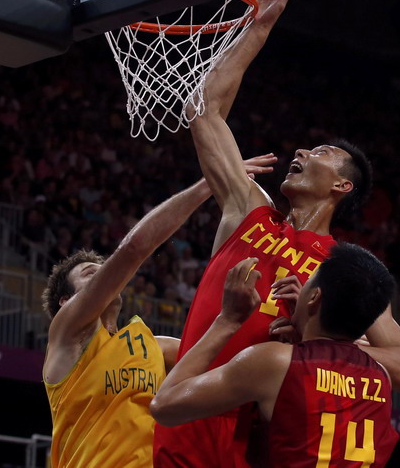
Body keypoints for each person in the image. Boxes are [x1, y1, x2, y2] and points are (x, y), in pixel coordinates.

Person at [153, 0, 400, 467]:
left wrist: (315, 342)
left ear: (343, 187)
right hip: (191, 411)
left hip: (258, 430)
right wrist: (260, 27)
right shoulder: (247, 209)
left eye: (319, 153)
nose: (299, 151)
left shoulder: (340, 271)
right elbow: (203, 110)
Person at [41, 157, 274, 468]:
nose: (101, 275)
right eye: (89, 274)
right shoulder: (66, 337)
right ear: (65, 302)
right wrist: (209, 183)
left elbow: (230, 366)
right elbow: (134, 248)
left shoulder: (152, 345)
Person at [151, 243, 400, 468]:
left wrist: (227, 320)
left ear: (314, 297)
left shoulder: (276, 362)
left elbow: (164, 406)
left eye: (308, 284)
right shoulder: (382, 377)